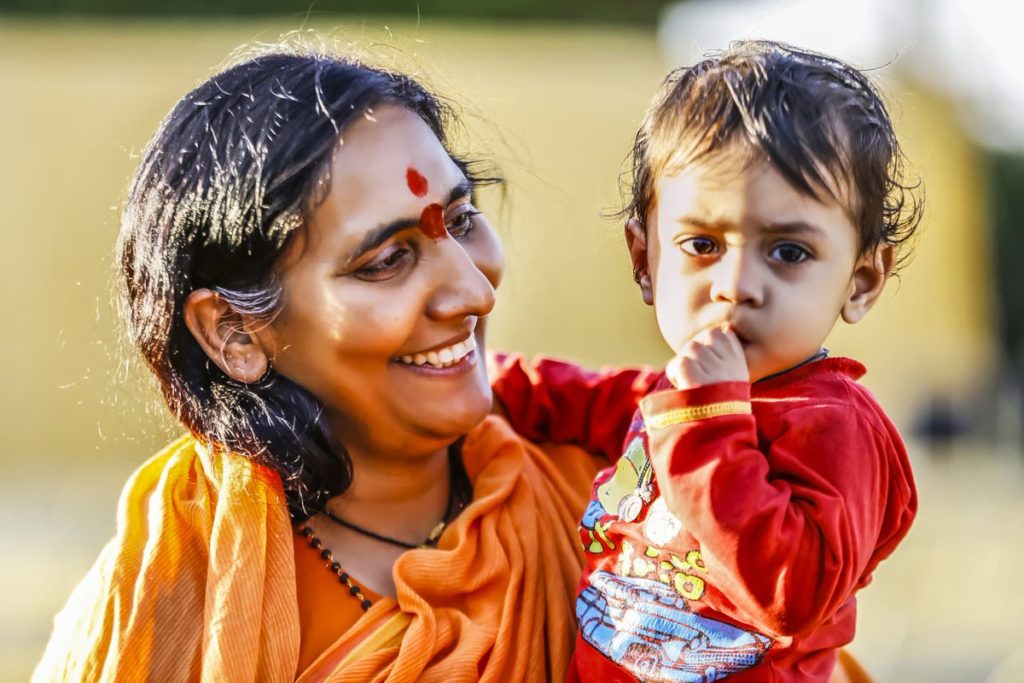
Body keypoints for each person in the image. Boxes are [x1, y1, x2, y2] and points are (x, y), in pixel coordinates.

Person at [32, 49, 606, 682]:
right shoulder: (173, 592)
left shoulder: (610, 510)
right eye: (387, 260)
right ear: (235, 333)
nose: (475, 293)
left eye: (462, 219)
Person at [491, 40, 922, 682]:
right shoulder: (673, 398)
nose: (737, 283)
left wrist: (710, 423)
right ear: (645, 261)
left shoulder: (834, 427)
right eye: (701, 243)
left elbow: (792, 596)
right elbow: (558, 395)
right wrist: (453, 376)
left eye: (789, 252)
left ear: (860, 280)